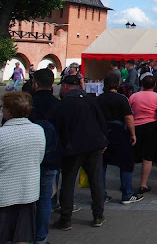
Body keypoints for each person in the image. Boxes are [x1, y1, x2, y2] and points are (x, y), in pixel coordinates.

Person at [55, 74, 109, 230]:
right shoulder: (90, 100)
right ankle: (98, 215)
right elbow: (101, 121)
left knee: (68, 182)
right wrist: (104, 140)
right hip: (94, 145)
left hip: (72, 148)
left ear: (65, 87)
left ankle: (66, 218)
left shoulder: (64, 103)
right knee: (96, 181)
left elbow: (59, 126)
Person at [0, 92, 45, 244]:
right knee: (23, 236)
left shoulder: (2, 134)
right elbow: (38, 158)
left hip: (4, 194)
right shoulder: (38, 130)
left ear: (8, 111)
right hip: (28, 191)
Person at [97, 71, 143, 204]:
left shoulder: (98, 99)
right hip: (119, 132)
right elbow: (129, 117)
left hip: (102, 133)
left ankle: (101, 194)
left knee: (102, 165)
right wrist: (133, 134)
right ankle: (127, 193)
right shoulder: (122, 99)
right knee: (126, 163)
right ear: (117, 84)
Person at [29, 69, 62, 244]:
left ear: (35, 84)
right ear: (52, 84)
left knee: (27, 198)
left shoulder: (28, 104)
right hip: (50, 156)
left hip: (28, 158)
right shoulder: (58, 104)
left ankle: (22, 234)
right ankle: (40, 237)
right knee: (44, 198)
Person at [129, 74, 157, 195]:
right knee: (148, 157)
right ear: (155, 85)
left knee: (132, 157)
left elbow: (128, 111)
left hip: (135, 127)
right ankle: (143, 184)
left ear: (141, 84)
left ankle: (127, 183)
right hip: (151, 127)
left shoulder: (134, 96)